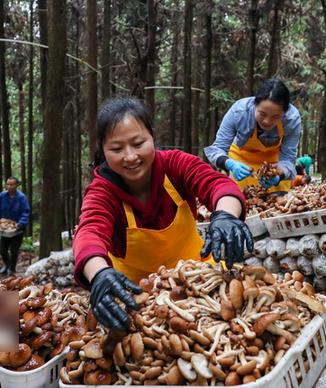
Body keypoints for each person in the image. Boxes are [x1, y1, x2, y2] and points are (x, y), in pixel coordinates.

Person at [73, 97, 253, 331]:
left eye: (138, 143)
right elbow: (89, 232)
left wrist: (225, 215)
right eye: (117, 149)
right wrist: (99, 274)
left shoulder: (175, 164)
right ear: (103, 150)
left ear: (152, 136)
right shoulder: (102, 191)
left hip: (199, 279)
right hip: (134, 297)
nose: (130, 156)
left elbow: (216, 184)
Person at [205, 79, 301, 195]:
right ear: (255, 105)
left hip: (274, 164)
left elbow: (288, 158)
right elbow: (217, 149)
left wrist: (278, 176)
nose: (267, 121)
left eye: (276, 117)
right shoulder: (238, 112)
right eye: (262, 114)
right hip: (241, 158)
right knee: (240, 199)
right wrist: (229, 163)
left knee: (276, 204)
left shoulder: (292, 120)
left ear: (285, 112)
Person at [0, 177, 30, 275]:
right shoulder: (3, 196)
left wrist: (21, 223)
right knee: (2, 250)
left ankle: (12, 269)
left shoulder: (21, 198)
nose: (9, 186)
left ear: (16, 186)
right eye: (7, 184)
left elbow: (25, 212)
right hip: (5, 229)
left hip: (17, 229)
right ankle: (7, 264)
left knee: (14, 251)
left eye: (11, 185)